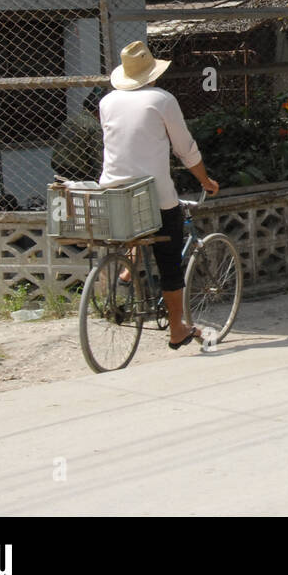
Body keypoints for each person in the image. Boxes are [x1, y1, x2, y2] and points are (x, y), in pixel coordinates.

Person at [100, 41, 220, 348]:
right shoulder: (162, 99)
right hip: (154, 194)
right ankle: (178, 328)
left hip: (114, 190)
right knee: (169, 260)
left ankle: (126, 275)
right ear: (152, 73)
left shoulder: (107, 102)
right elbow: (185, 149)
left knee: (138, 229)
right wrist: (205, 180)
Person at [51, 87, 105, 181]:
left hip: (63, 173)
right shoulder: (95, 127)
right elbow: (98, 159)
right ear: (100, 110)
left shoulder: (70, 121)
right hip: (84, 177)